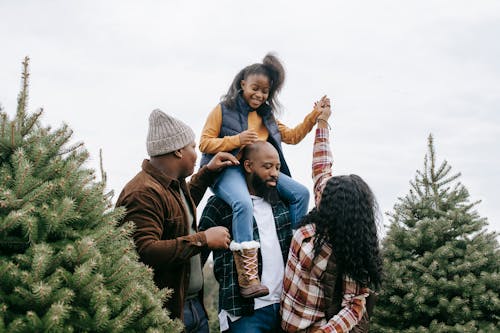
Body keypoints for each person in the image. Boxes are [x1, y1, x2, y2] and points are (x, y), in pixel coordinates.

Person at [198, 53, 320, 298]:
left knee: (300, 193)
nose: (259, 95)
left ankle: (291, 255)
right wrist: (236, 140)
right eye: (255, 88)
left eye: (265, 91)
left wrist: (314, 116)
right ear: (243, 83)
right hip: (228, 167)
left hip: (258, 171)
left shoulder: (266, 116)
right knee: (242, 202)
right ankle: (248, 277)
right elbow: (204, 143)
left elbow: (293, 136)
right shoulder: (223, 110)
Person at [115, 109, 239, 333]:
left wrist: (208, 172)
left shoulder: (173, 184)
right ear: (179, 151)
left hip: (192, 306)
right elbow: (145, 250)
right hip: (167, 315)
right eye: (193, 146)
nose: (196, 151)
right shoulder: (142, 193)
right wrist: (204, 240)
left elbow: (179, 209)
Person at [281, 97, 383, 333]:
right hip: (284, 323)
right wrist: (322, 122)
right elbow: (321, 166)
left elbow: (354, 306)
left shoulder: (349, 250)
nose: (319, 193)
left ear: (339, 211)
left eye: (325, 196)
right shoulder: (322, 209)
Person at [199, 141, 294, 333]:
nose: (275, 173)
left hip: (285, 309)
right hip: (243, 313)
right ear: (248, 166)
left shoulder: (281, 205)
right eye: (267, 167)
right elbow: (198, 255)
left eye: (277, 167)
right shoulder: (220, 205)